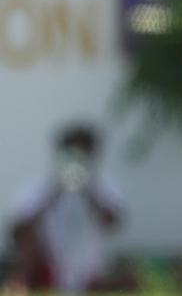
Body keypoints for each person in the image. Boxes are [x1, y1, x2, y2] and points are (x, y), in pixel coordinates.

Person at [3, 124, 124, 294]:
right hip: (49, 264)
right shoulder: (36, 186)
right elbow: (17, 232)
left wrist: (89, 191)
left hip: (89, 268)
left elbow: (112, 223)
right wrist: (52, 194)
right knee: (27, 245)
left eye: (82, 154)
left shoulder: (105, 186)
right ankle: (17, 287)